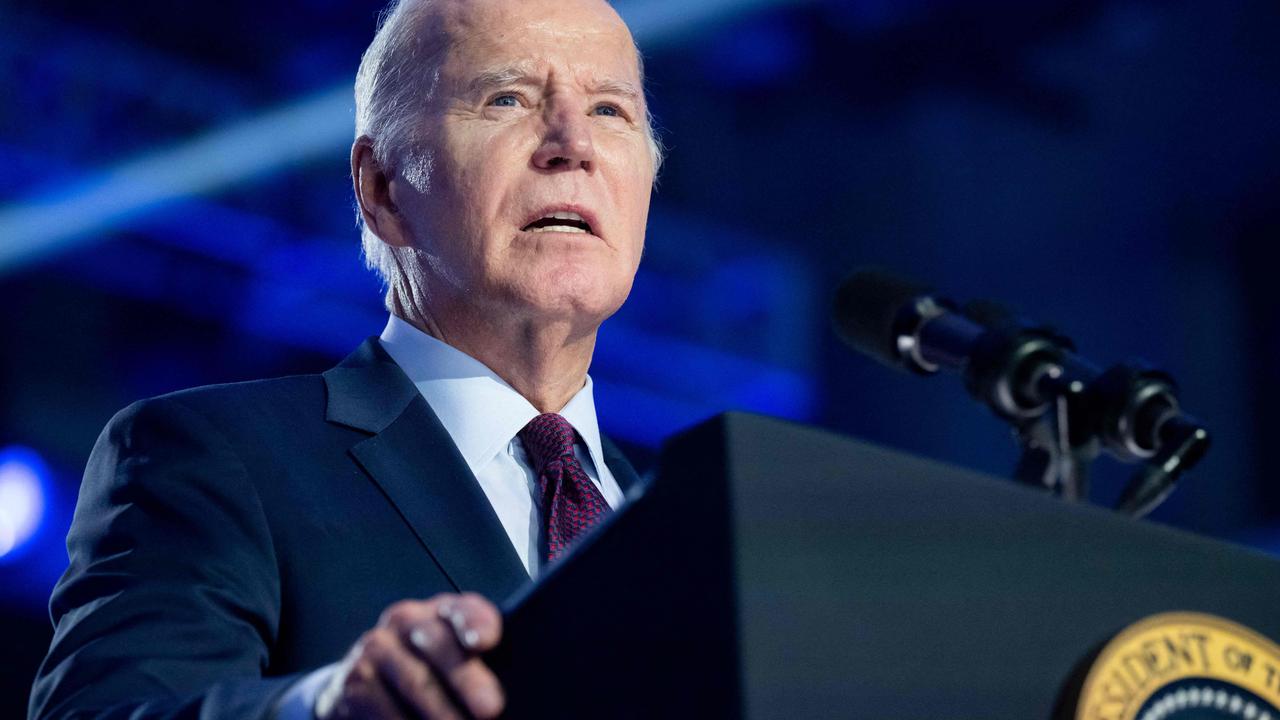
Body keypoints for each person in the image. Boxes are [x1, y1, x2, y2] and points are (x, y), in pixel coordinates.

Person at [28, 0, 662, 717]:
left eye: (611, 111)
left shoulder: (688, 536)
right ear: (382, 188)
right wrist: (326, 707)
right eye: (507, 98)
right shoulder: (216, 458)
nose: (571, 143)